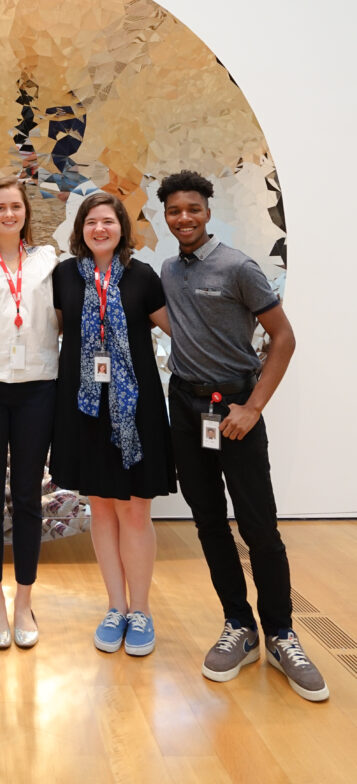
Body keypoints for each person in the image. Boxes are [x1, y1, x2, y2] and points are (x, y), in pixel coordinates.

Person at [157, 169, 328, 701]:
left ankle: (281, 633)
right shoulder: (168, 268)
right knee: (208, 522)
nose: (183, 218)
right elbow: (178, 324)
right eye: (174, 210)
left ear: (208, 211)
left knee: (259, 526)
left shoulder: (238, 266)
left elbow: (284, 337)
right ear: (165, 216)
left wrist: (252, 407)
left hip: (234, 408)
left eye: (193, 209)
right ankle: (239, 626)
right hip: (186, 407)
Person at [51, 192, 175, 656]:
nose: (99, 229)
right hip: (82, 408)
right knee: (100, 508)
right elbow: (54, 331)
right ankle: (115, 607)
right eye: (91, 222)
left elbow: (173, 329)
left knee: (135, 510)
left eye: (108, 221)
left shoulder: (142, 276)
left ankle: (141, 610)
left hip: (135, 408)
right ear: (80, 229)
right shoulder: (64, 275)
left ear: (122, 227)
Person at [0, 178, 59, 649]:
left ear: (25, 212)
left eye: (15, 206)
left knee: (26, 497)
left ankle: (24, 600)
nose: (8, 213)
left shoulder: (47, 259)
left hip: (38, 386)